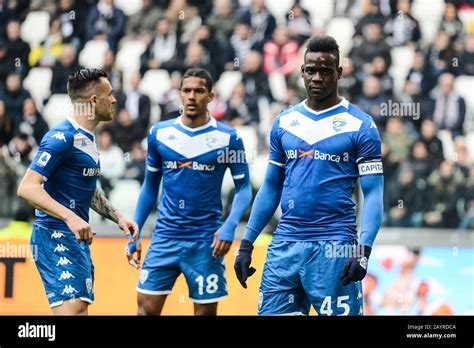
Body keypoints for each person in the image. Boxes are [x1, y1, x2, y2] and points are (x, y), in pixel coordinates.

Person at [234, 36, 384, 316]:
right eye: (310, 70)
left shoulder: (361, 126)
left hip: (334, 248)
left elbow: (373, 193)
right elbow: (270, 186)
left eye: (325, 71)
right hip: (284, 246)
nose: (317, 77)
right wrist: (246, 243)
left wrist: (363, 250)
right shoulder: (285, 122)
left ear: (338, 73)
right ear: (301, 71)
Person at [126, 68, 252, 316]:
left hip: (206, 242)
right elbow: (150, 185)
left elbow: (244, 188)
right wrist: (135, 230)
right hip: (164, 238)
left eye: (199, 91)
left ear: (211, 96)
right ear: (179, 94)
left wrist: (229, 226)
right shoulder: (159, 133)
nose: (192, 96)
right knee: (145, 311)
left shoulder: (228, 138)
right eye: (187, 90)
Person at [16, 68, 139, 315]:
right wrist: (71, 217)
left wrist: (118, 217)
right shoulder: (62, 137)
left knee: (79, 311)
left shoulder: (88, 138)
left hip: (77, 238)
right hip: (54, 236)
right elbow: (27, 187)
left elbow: (89, 189)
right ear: (94, 100)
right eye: (110, 94)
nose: (114, 100)